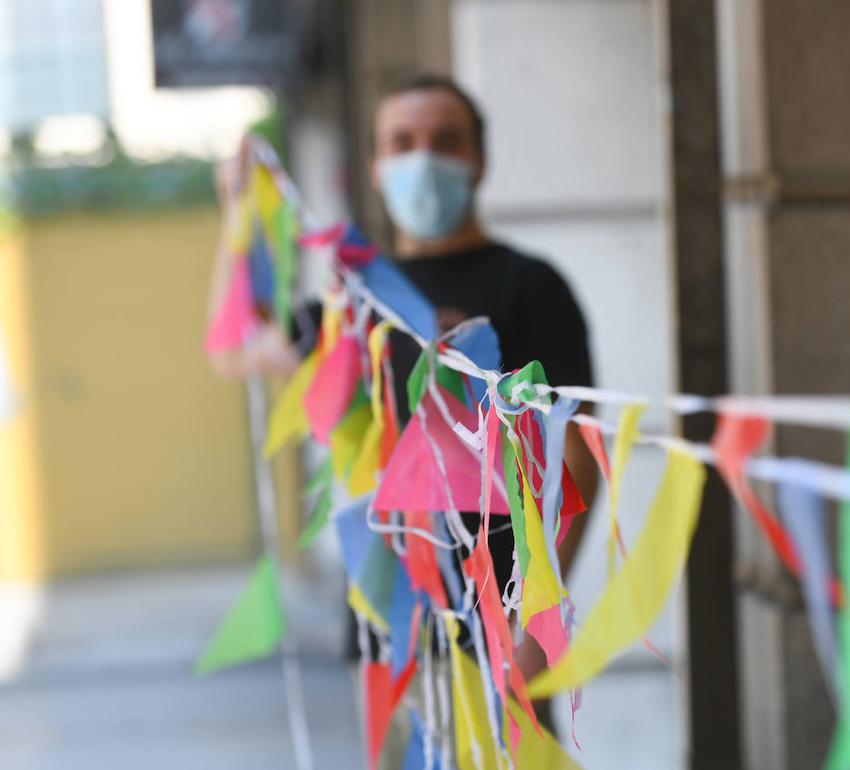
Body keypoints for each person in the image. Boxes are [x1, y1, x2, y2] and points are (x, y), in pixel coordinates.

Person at [206, 75, 600, 700]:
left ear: (478, 160)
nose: (424, 158)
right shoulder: (357, 299)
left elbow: (576, 457)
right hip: (390, 633)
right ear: (377, 165)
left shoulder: (530, 287)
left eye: (445, 140)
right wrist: (239, 209)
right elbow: (233, 348)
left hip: (498, 631)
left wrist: (534, 635)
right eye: (403, 141)